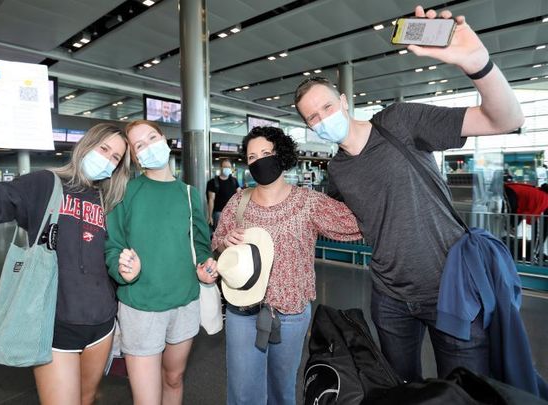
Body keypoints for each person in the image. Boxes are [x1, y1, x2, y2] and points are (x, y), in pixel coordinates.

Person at [294, 5, 525, 383]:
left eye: (327, 107)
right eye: (312, 118)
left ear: (345, 102)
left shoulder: (398, 121)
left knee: (466, 388)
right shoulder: (336, 170)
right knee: (400, 390)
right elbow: (339, 220)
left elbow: (507, 119)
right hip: (389, 297)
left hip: (450, 288)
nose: (323, 120)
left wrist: (478, 64)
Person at [0, 83, 131, 404]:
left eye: (116, 157)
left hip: (102, 323)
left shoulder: (111, 203)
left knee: (88, 398)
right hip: (53, 324)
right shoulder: (45, 183)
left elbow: (113, 255)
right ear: (85, 146)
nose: (108, 160)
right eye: (103, 149)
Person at [212, 126, 362, 405]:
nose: (259, 161)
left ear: (281, 155)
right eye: (252, 156)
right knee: (243, 393)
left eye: (266, 153)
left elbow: (354, 225)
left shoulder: (308, 202)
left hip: (291, 312)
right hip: (243, 309)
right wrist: (225, 244)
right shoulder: (238, 201)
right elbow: (219, 242)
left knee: (282, 390)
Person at [105, 120, 218, 405]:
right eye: (139, 145)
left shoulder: (190, 194)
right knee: (146, 398)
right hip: (141, 306)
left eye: (152, 137)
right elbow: (112, 245)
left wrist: (205, 268)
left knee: (174, 378)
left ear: (165, 140)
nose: (148, 146)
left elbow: (200, 246)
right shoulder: (125, 193)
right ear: (134, 156)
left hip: (184, 304)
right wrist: (121, 268)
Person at [206, 158, 240, 230]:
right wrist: (210, 216)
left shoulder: (234, 181)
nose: (227, 169)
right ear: (220, 168)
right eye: (225, 167)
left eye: (229, 167)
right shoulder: (213, 182)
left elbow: (240, 195)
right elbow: (211, 200)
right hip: (219, 213)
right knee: (219, 234)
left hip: (233, 213)